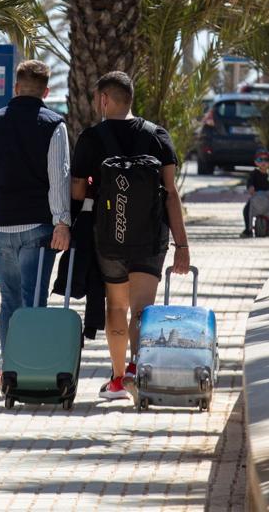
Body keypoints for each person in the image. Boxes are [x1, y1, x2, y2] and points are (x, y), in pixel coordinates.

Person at [70, 71, 190, 402]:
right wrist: (183, 245)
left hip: (109, 237)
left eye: (97, 98)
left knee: (117, 307)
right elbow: (170, 193)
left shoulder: (91, 138)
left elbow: (78, 189)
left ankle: (119, 378)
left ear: (105, 99)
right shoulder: (157, 136)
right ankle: (140, 370)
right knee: (143, 309)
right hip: (150, 238)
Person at [0, 60, 71, 389]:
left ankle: (10, 372)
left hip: (0, 226)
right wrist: (62, 222)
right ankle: (31, 371)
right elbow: (60, 178)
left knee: (9, 301)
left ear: (15, 88)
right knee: (34, 304)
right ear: (46, 91)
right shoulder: (54, 125)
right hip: (39, 226)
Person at [241, 149, 269, 238]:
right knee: (246, 209)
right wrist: (250, 188)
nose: (263, 162)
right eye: (260, 160)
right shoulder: (253, 174)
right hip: (256, 198)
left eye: (266, 160)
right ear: (256, 162)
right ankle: (248, 229)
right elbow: (249, 183)